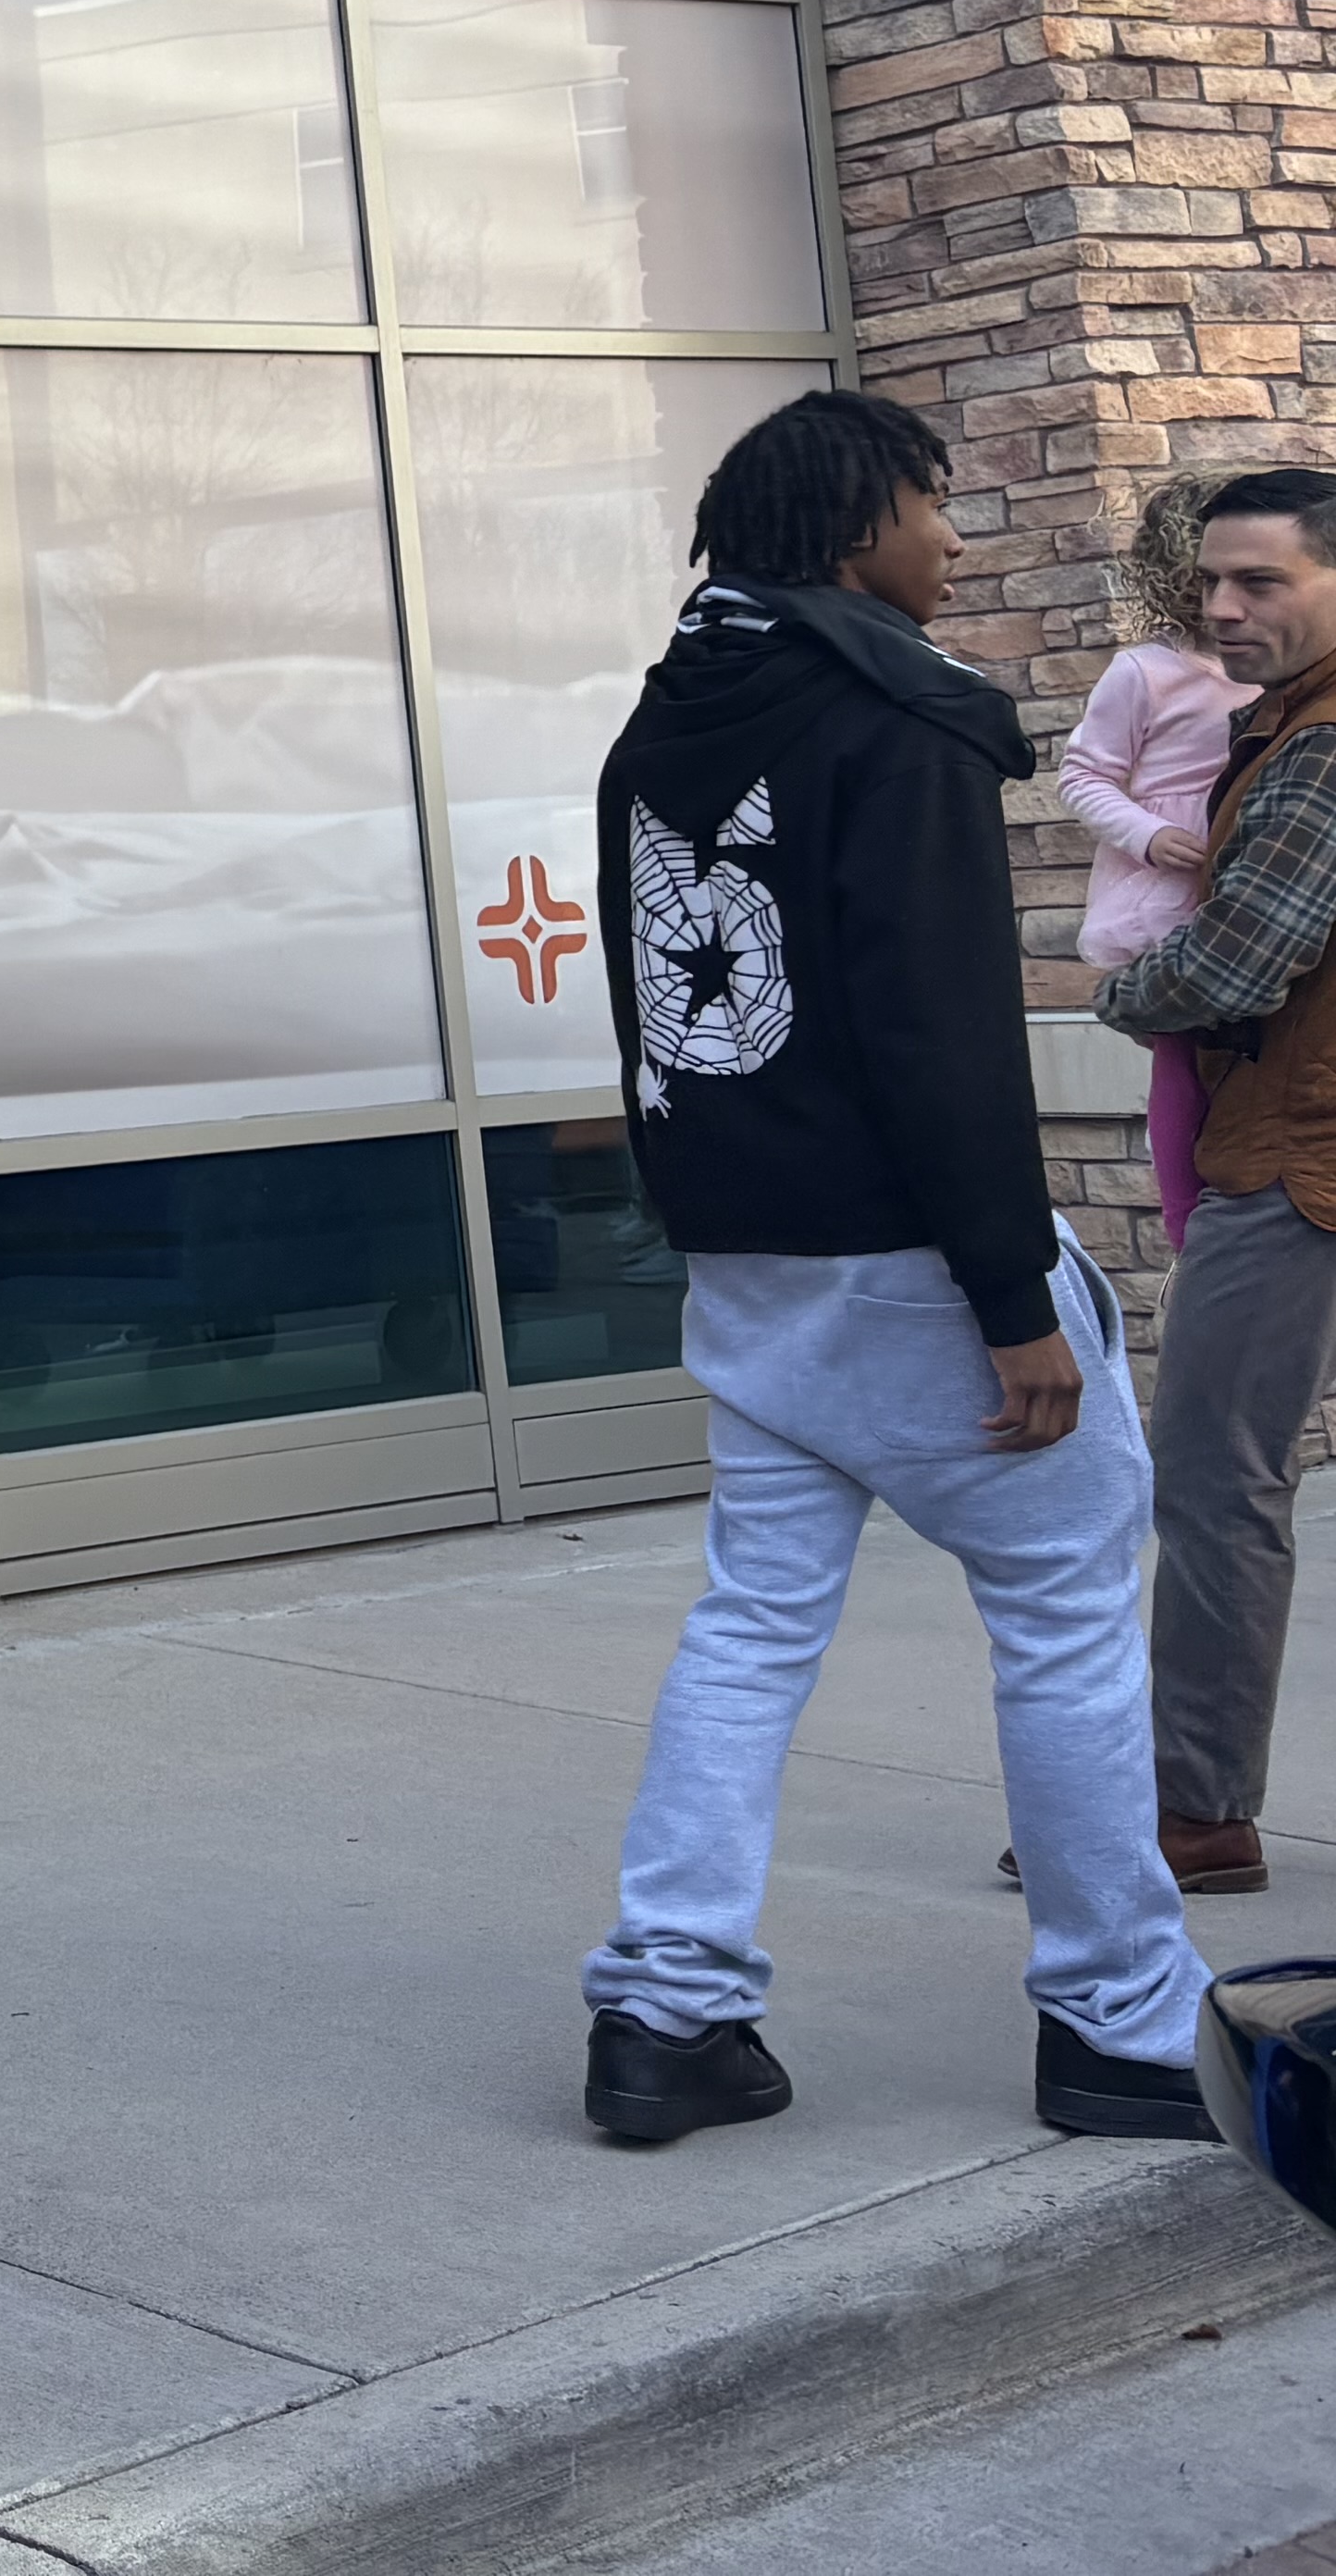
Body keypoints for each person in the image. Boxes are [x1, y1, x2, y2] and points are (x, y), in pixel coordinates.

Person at [577, 386, 1213, 2146]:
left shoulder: (660, 724)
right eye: (932, 505)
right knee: (1068, 1615)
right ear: (855, 525)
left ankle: (664, 2009)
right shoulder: (893, 719)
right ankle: (1121, 2020)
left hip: (750, 1265)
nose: (952, 538)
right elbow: (944, 1039)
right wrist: (1012, 1301)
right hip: (913, 1268)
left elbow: (653, 1010)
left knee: (750, 1626)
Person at [1095, 462, 1336, 1895]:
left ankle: (1193, 1812)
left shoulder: (1319, 750)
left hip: (1296, 1159)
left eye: (1262, 581)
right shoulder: (1279, 727)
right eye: (1211, 581)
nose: (1225, 607)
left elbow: (1238, 961)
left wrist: (1122, 988)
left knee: (1215, 1480)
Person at [1061, 468, 1253, 1248]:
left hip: (1248, 871)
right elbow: (1083, 775)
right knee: (1178, 1056)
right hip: (1171, 887)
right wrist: (1144, 833)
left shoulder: (1284, 671)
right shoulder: (1144, 671)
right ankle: (1183, 1226)